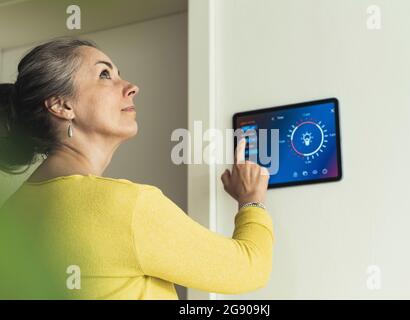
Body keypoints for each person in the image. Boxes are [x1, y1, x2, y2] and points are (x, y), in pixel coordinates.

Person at [0, 38, 274, 300]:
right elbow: (249, 268)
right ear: (62, 105)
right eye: (105, 75)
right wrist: (251, 200)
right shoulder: (126, 207)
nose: (132, 87)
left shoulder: (9, 216)